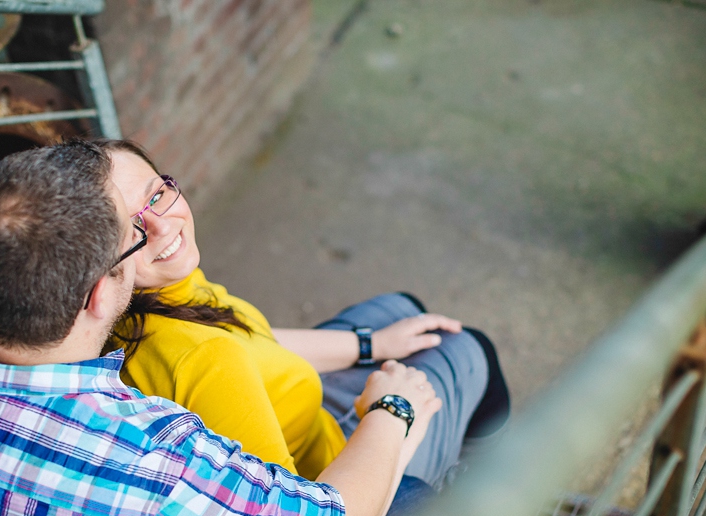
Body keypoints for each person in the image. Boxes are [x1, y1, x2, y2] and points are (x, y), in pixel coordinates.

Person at [0, 140, 441, 516]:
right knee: (420, 498)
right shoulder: (155, 465)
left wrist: (363, 345)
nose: (152, 230)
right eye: (127, 238)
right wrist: (394, 410)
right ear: (101, 292)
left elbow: (241, 342)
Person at [101, 138, 510, 492]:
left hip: (307, 417)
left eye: (156, 196)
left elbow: (250, 339)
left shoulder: (157, 291)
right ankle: (471, 491)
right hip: (336, 478)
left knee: (405, 309)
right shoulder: (201, 358)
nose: (161, 226)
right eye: (131, 228)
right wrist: (395, 415)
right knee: (472, 349)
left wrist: (372, 344)